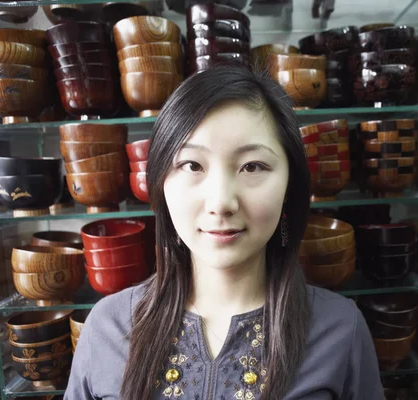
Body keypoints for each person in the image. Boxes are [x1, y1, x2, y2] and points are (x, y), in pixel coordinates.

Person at [65, 67, 384, 400]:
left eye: (252, 166)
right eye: (192, 165)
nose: (221, 202)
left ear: (290, 185)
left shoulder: (339, 329)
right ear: (160, 183)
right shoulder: (108, 327)